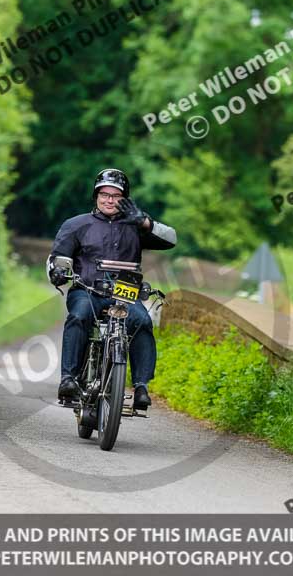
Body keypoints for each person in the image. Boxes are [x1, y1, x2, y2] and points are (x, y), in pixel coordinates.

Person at [47, 168, 177, 410]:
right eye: (104, 194)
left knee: (142, 322)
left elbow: (171, 239)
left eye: (116, 196)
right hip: (87, 289)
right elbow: (56, 259)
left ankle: (141, 387)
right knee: (78, 316)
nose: (109, 200)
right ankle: (69, 380)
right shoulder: (76, 225)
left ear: (125, 198)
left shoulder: (137, 226)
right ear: (96, 196)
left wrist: (144, 221)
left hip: (125, 294)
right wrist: (56, 273)